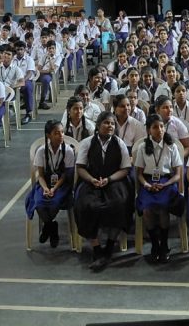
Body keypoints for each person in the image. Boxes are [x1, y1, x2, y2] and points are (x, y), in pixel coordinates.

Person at [74, 111, 133, 271]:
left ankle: (110, 246)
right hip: (91, 181)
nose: (110, 126)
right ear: (98, 125)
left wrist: (110, 179)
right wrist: (92, 179)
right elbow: (80, 168)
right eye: (106, 123)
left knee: (119, 203)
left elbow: (125, 169)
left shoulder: (119, 143)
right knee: (86, 205)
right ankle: (96, 248)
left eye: (112, 123)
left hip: (114, 181)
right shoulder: (87, 143)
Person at [133, 113, 184, 262]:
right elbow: (139, 174)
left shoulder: (171, 146)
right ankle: (155, 244)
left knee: (163, 207)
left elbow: (178, 175)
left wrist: (165, 184)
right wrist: (147, 185)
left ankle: (164, 244)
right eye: (155, 127)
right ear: (148, 130)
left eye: (161, 126)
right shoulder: (143, 147)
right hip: (148, 182)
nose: (159, 130)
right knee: (147, 209)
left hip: (167, 182)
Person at [25, 120, 76, 249]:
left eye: (62, 132)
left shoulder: (68, 151)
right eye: (56, 133)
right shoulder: (42, 151)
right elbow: (41, 175)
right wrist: (46, 188)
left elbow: (65, 175)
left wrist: (54, 188)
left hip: (61, 184)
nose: (61, 135)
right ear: (48, 135)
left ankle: (48, 227)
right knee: (39, 203)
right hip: (45, 183)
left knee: (54, 203)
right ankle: (52, 226)